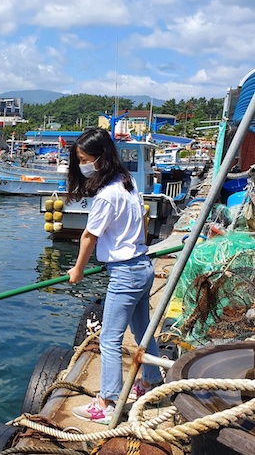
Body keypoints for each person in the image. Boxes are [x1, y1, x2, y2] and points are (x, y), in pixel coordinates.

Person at [66, 128, 164, 424]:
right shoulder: (128, 184)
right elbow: (142, 222)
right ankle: (150, 380)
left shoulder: (107, 196)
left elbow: (88, 236)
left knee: (109, 340)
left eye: (84, 159)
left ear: (101, 158)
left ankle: (107, 402)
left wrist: (78, 270)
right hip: (142, 266)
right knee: (142, 330)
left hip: (125, 274)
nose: (82, 165)